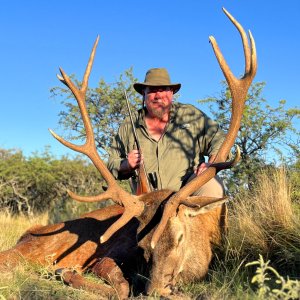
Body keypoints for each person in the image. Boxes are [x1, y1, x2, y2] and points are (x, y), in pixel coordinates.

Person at [107, 68, 225, 197]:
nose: (158, 96)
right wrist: (126, 165)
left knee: (211, 184)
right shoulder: (129, 125)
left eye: (163, 89)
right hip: (147, 201)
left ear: (172, 93)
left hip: (185, 197)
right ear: (143, 94)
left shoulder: (190, 115)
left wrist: (211, 164)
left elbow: (220, 141)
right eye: (151, 91)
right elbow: (111, 163)